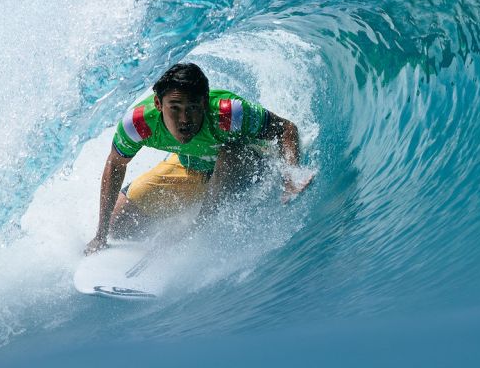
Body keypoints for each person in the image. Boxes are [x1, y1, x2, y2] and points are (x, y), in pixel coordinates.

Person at [85, 62, 313, 255]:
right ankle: (170, 226)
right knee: (120, 225)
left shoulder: (228, 113)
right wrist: (100, 235)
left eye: (193, 107)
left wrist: (290, 174)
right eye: (174, 108)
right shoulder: (139, 124)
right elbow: (115, 164)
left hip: (249, 164)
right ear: (158, 105)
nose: (184, 119)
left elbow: (286, 129)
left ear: (204, 103)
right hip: (193, 166)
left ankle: (199, 228)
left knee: (231, 152)